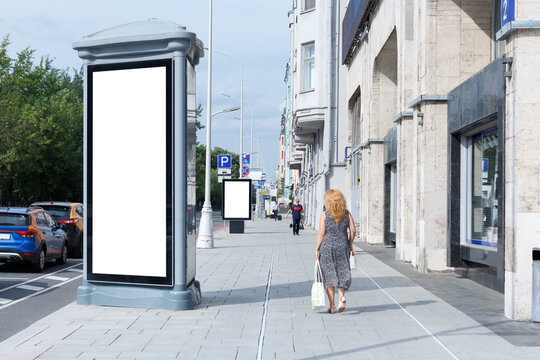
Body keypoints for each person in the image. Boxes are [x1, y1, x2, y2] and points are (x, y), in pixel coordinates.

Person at [314, 189, 356, 313]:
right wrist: (350, 243)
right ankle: (341, 297)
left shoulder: (324, 214)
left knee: (329, 274)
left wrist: (316, 248)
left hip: (327, 246)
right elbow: (353, 231)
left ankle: (332, 306)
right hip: (343, 245)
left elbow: (321, 233)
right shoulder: (346, 213)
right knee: (342, 271)